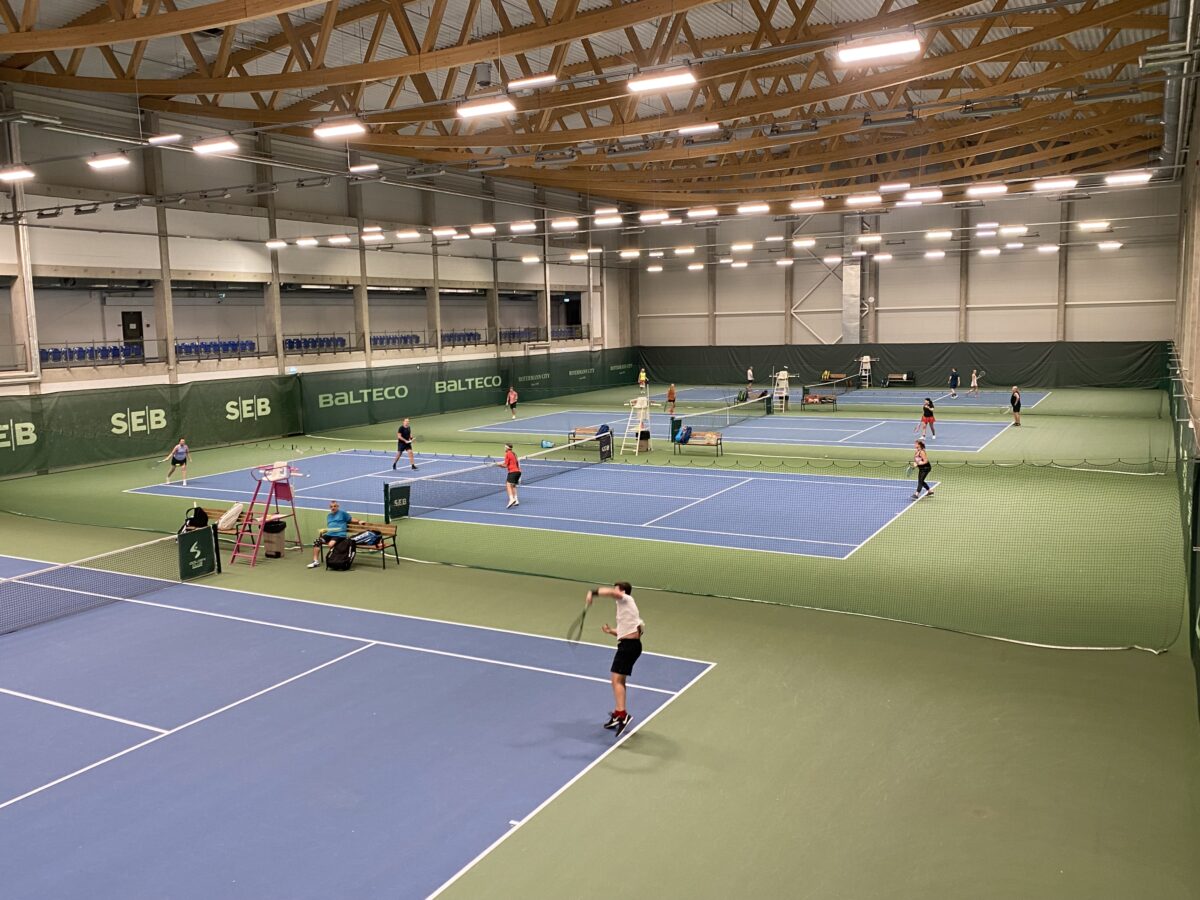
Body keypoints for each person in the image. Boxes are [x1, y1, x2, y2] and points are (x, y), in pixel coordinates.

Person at [586, 581, 644, 738]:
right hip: (631, 646)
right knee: (620, 681)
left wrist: (593, 592)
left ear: (622, 591)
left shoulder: (626, 599)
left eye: (616, 589)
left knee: (616, 680)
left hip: (628, 647)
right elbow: (629, 631)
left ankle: (622, 715)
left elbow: (613, 593)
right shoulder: (627, 607)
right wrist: (611, 631)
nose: (614, 591)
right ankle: (619, 713)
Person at [307, 500, 365, 568]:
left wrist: (359, 521)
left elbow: (350, 519)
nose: (333, 508)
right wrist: (325, 530)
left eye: (335, 506)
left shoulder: (342, 513)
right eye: (331, 506)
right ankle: (315, 561)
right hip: (329, 534)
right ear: (330, 507)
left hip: (339, 535)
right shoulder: (329, 516)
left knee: (330, 544)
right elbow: (331, 526)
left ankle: (334, 559)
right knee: (317, 542)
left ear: (337, 507)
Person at [497, 443, 521, 508]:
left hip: (513, 472)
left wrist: (498, 465)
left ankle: (511, 499)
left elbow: (505, 465)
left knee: (508, 484)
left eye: (505, 447)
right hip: (518, 472)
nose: (504, 448)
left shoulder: (507, 454)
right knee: (513, 485)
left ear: (507, 448)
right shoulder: (514, 454)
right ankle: (516, 500)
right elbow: (515, 462)